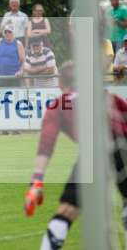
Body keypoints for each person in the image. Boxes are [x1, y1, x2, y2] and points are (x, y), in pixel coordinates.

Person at [24, 62, 127, 250]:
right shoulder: (106, 96)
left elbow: (46, 144)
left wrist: (36, 181)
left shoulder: (58, 106)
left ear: (60, 84)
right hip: (120, 146)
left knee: (67, 210)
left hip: (93, 154)